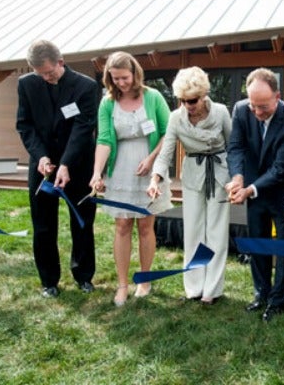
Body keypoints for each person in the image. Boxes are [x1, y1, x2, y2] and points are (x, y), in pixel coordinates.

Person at [16, 39, 100, 298]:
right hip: (43, 166)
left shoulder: (86, 87)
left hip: (78, 164)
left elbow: (83, 128)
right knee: (43, 225)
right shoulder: (26, 84)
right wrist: (40, 157)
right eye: (40, 74)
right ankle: (48, 280)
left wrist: (65, 164)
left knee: (82, 221)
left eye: (50, 73)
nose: (46, 78)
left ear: (61, 62)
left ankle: (83, 275)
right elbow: (25, 124)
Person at [89, 51, 171, 307]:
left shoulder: (153, 97)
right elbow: (103, 139)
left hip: (151, 167)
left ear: (135, 73)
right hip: (121, 167)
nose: (121, 83)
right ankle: (123, 284)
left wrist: (151, 160)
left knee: (146, 226)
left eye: (124, 78)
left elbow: (168, 134)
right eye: (115, 79)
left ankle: (144, 280)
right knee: (122, 225)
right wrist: (96, 173)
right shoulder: (107, 103)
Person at [147, 66, 232, 305]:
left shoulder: (221, 112)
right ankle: (194, 287)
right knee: (193, 231)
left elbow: (234, 147)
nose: (188, 105)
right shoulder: (176, 117)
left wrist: (237, 178)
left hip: (220, 173)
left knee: (216, 232)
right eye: (183, 100)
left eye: (192, 100)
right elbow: (166, 154)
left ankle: (212, 290)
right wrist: (155, 179)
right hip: (193, 175)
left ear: (203, 94)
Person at [226, 68, 284, 323]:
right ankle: (261, 293)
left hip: (282, 193)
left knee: (283, 249)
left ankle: (277, 302)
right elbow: (235, 147)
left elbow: (281, 169)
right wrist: (237, 177)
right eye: (253, 106)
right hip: (253, 191)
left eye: (263, 107)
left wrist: (250, 189)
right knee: (258, 243)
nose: (257, 113)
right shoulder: (240, 110)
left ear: (277, 96)